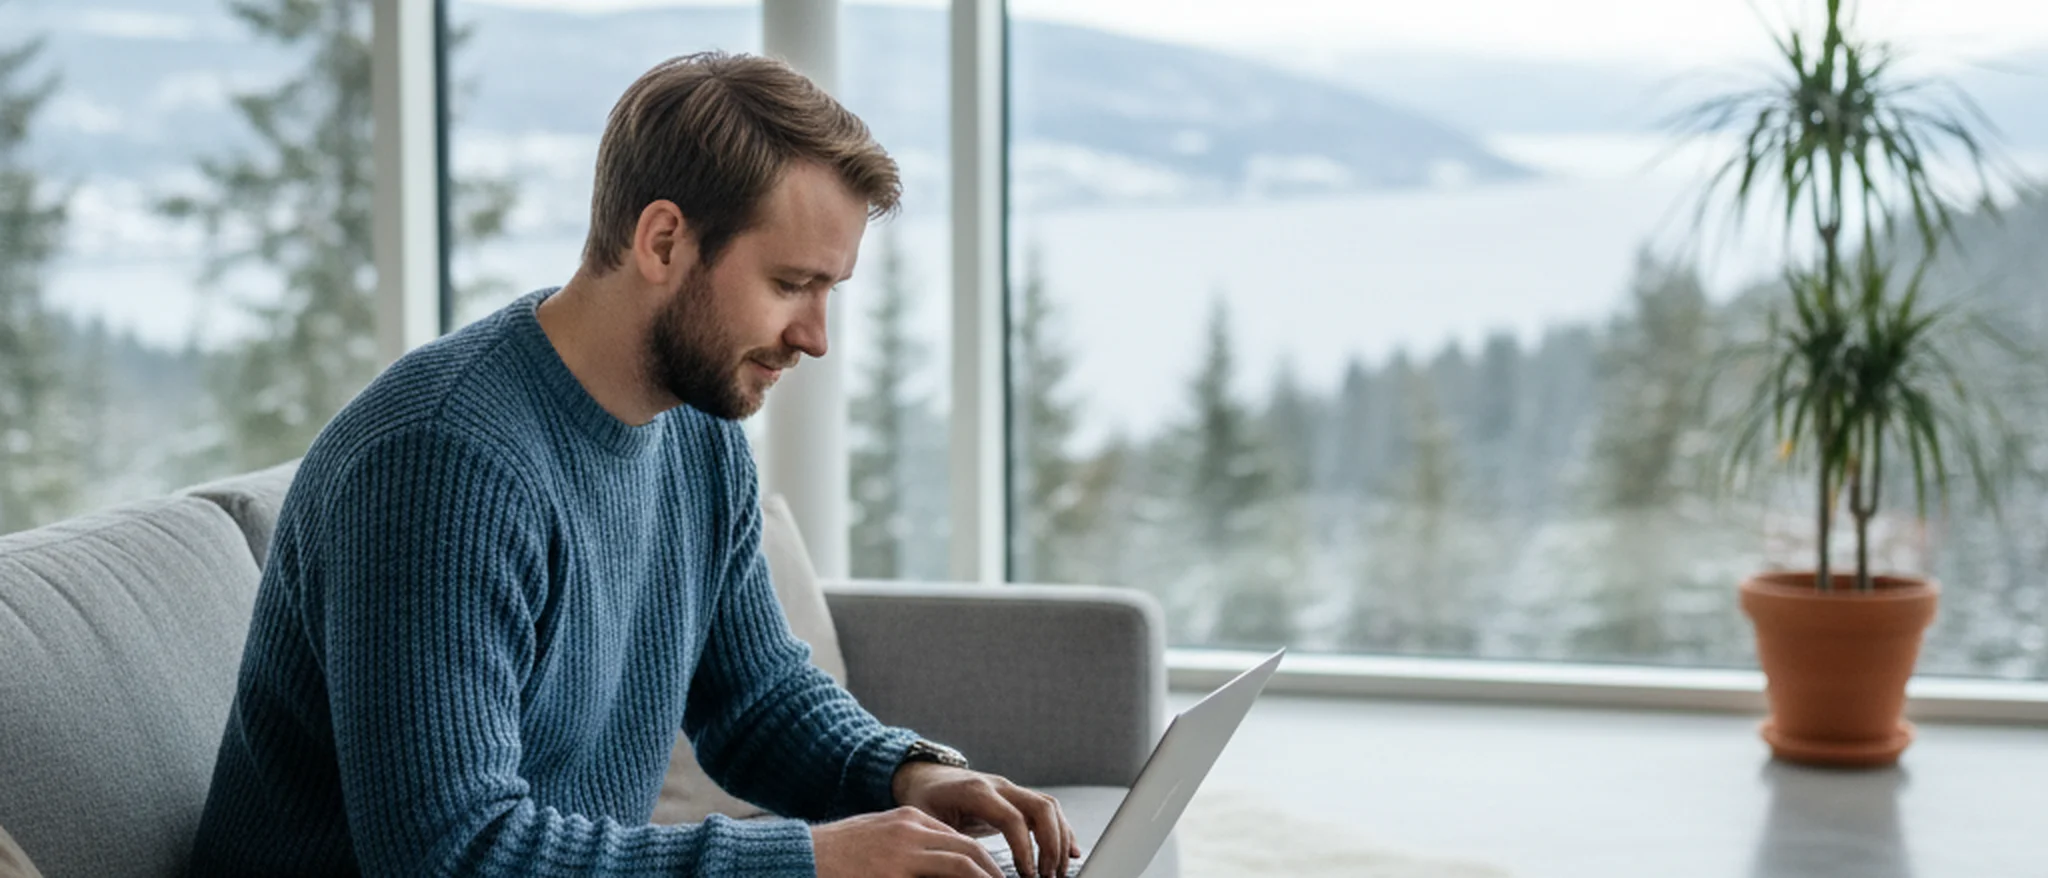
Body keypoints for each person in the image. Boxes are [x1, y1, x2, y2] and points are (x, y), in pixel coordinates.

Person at [189, 51, 1079, 878]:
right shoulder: (441, 462)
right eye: (789, 285)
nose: (814, 338)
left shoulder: (697, 430)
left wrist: (906, 775)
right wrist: (811, 862)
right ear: (663, 242)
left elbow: (755, 695)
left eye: (828, 292)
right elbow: (450, 852)